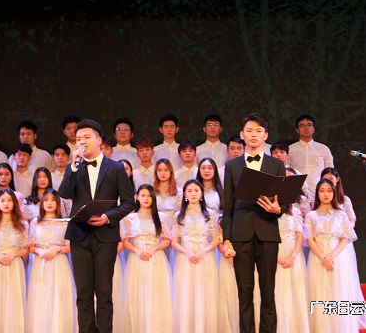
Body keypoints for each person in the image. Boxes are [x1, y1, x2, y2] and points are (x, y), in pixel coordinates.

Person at [58, 119, 135, 333]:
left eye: (86, 137)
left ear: (99, 140)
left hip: (105, 236)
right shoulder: (74, 167)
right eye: (78, 139)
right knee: (83, 294)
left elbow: (129, 202)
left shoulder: (115, 168)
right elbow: (64, 193)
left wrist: (107, 217)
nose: (81, 142)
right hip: (79, 235)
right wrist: (73, 167)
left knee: (103, 292)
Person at [221, 113, 285, 333]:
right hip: (241, 234)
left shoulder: (277, 164)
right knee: (244, 292)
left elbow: (282, 201)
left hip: (267, 232)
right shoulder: (232, 166)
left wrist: (278, 209)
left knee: (268, 292)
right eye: (249, 130)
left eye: (258, 131)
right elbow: (227, 206)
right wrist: (226, 239)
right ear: (242, 134)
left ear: (265, 135)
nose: (254, 135)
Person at [306, 179, 366, 331]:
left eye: (329, 191)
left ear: (334, 193)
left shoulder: (341, 214)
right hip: (318, 258)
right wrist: (323, 257)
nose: (326, 194)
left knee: (339, 292)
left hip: (338, 257)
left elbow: (346, 237)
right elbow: (310, 239)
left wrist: (332, 256)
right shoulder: (311, 215)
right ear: (317, 194)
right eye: (322, 191)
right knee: (320, 292)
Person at [121, 185, 173, 332]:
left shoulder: (160, 217)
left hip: (155, 258)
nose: (146, 198)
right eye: (143, 195)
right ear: (137, 197)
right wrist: (137, 251)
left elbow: (167, 240)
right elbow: (125, 241)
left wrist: (153, 249)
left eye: (149, 195)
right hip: (137, 259)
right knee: (137, 293)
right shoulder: (131, 218)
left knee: (156, 293)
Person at [171, 179, 219, 332]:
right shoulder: (178, 215)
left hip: (205, 257)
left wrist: (202, 251)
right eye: (189, 191)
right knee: (186, 291)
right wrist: (188, 252)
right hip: (185, 257)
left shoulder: (210, 214)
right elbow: (174, 241)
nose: (193, 194)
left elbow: (215, 239)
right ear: (185, 194)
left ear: (201, 193)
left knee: (204, 291)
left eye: (196, 190)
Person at [26, 188, 76, 332]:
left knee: (58, 297)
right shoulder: (35, 222)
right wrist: (39, 251)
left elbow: (70, 246)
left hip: (59, 263)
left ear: (57, 203)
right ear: (42, 203)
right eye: (46, 200)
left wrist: (58, 249)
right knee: (41, 297)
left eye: (53, 200)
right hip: (40, 263)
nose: (49, 203)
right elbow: (30, 247)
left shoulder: (65, 222)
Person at [0, 190, 29, 332]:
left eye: (9, 200)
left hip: (15, 265)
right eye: (2, 200)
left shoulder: (22, 225)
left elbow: (27, 249)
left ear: (14, 203)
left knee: (14, 299)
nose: (6, 204)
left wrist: (14, 254)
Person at [274, 185, 310, 333]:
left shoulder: (294, 211)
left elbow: (299, 235)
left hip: (293, 254)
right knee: (277, 291)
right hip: (275, 253)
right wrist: (276, 256)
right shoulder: (269, 212)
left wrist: (293, 256)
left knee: (295, 291)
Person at [288, 114, 334, 200]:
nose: (306, 128)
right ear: (297, 130)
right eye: (302, 125)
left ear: (313, 129)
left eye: (309, 125)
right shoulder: (290, 149)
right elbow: (287, 170)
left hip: (319, 191)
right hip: (297, 191)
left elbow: (330, 171)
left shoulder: (323, 148)